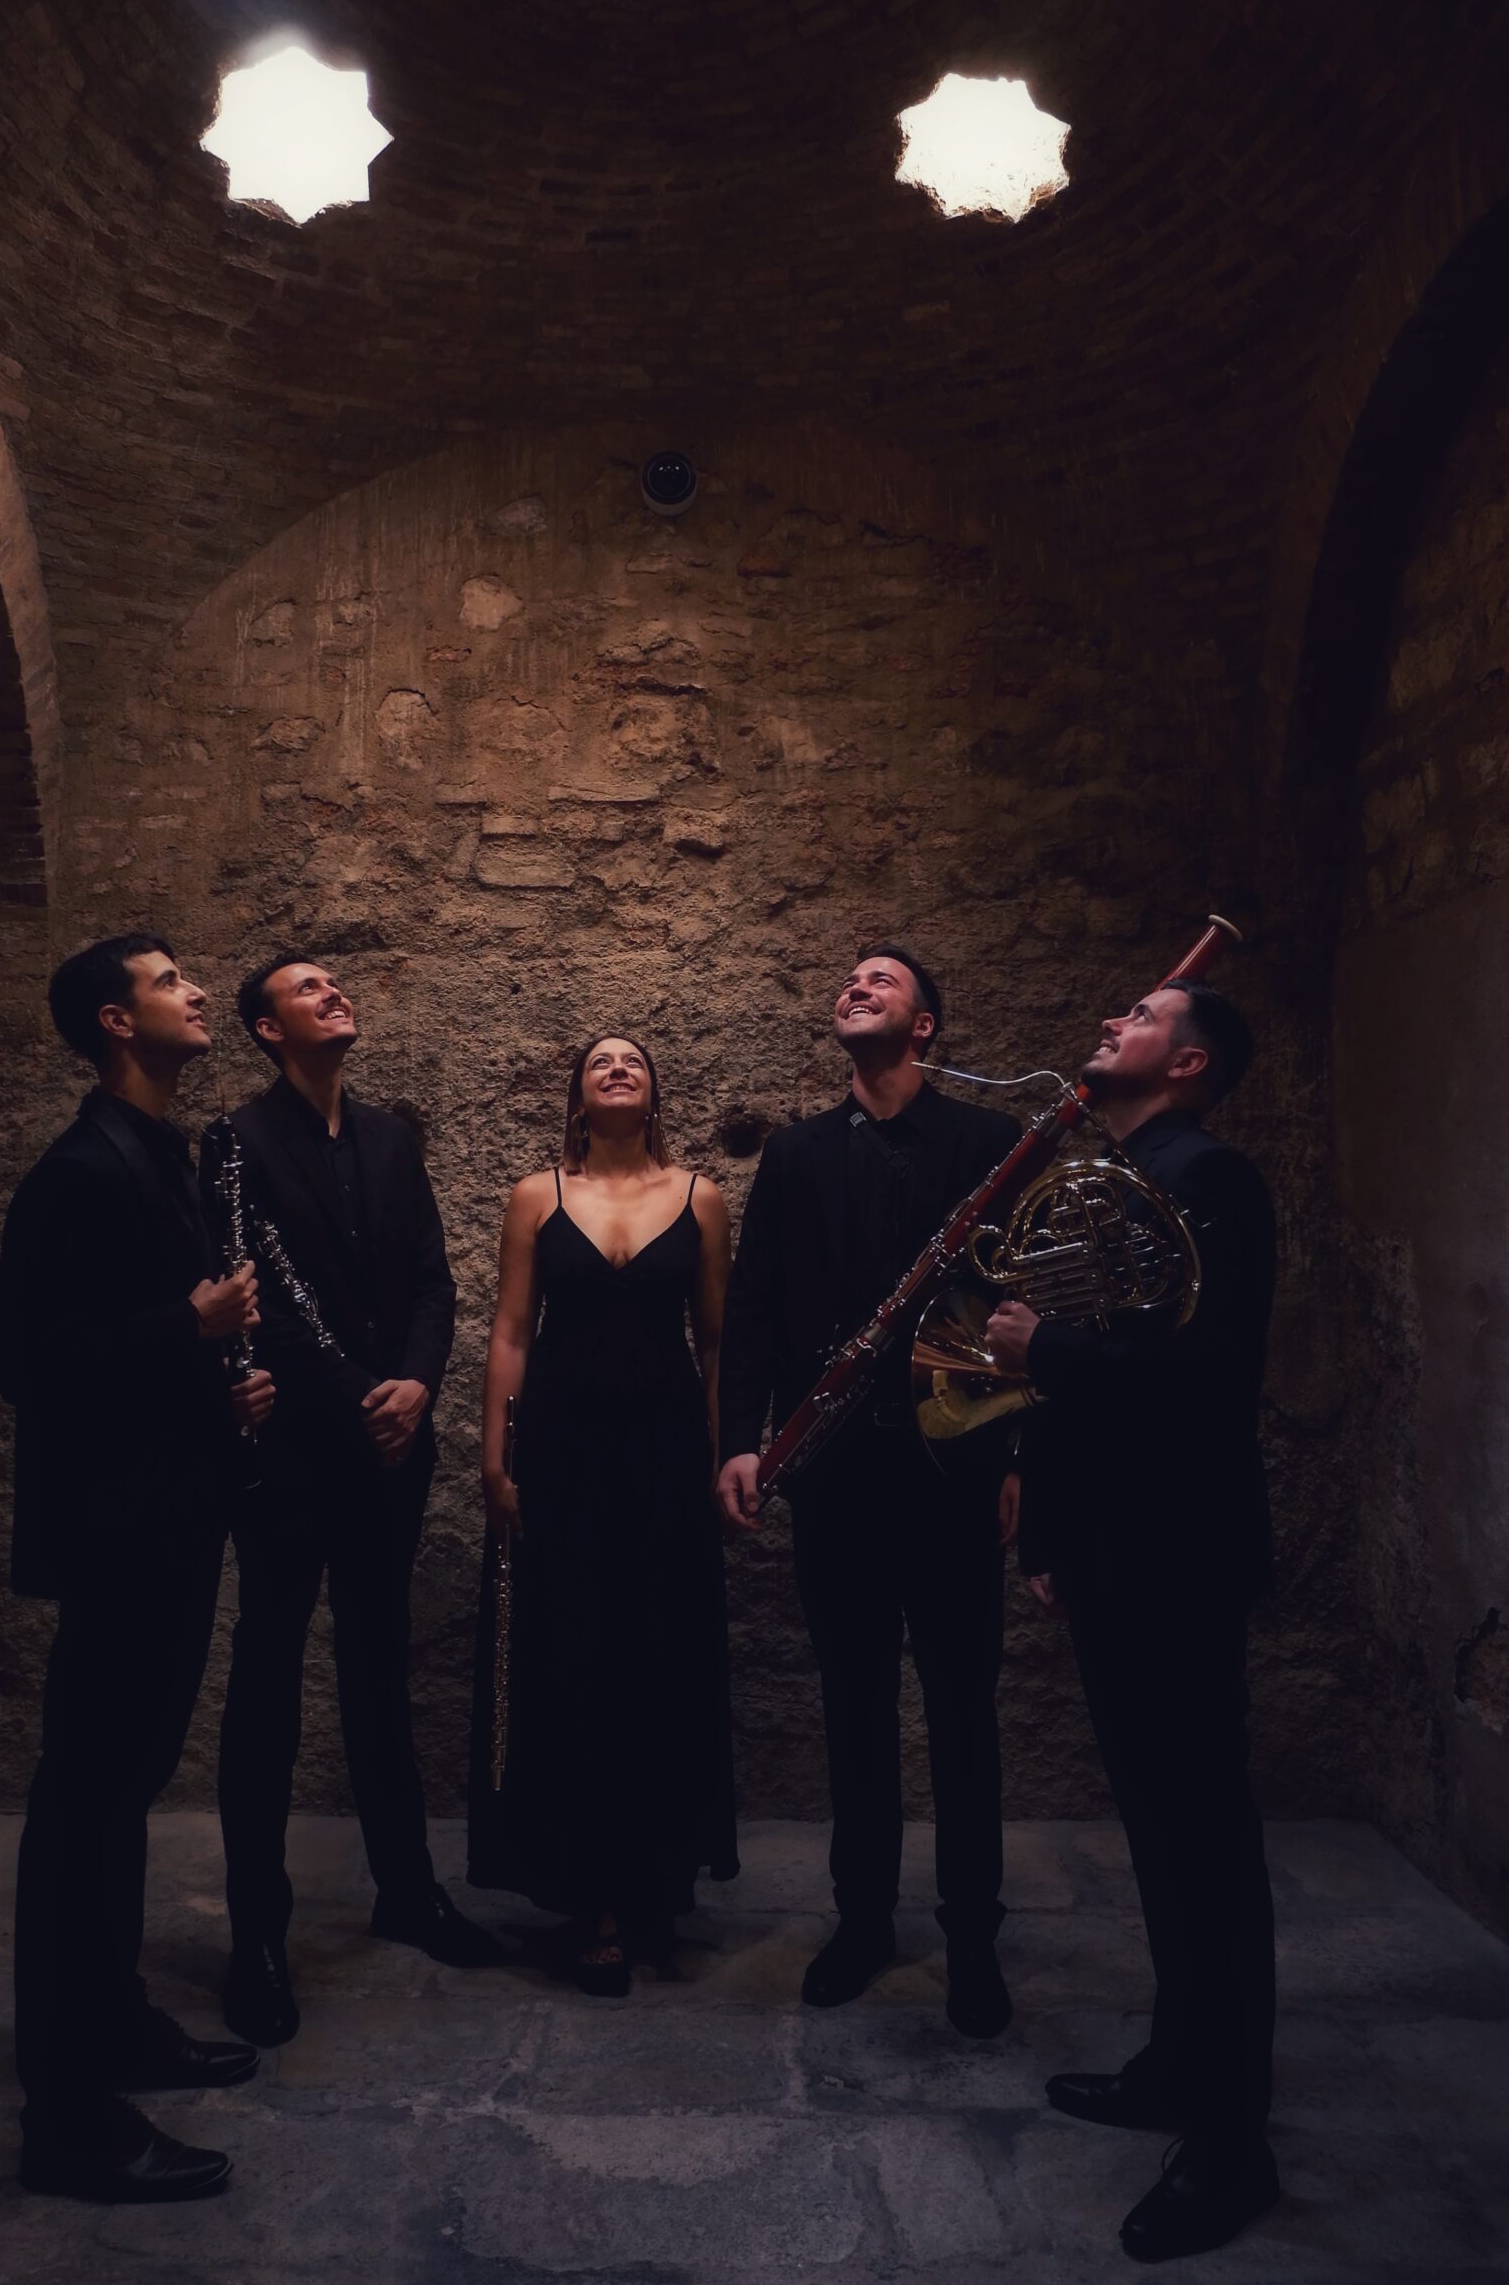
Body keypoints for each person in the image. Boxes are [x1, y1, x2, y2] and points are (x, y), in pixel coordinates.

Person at [987, 978, 1279, 2263]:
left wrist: (1040, 1346)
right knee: (1162, 1838)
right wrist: (1048, 1530)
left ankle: (1233, 2148)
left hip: (1181, 1557)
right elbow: (1085, 1385)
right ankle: (1178, 2065)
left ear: (1191, 1060)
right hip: (1114, 1554)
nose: (1113, 1021)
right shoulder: (1117, 1175)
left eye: (1145, 1016)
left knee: (1207, 1849)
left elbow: (1206, 1377)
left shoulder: (1211, 1179)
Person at [0, 931, 276, 2204]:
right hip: (118, 1538)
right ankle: (67, 2121)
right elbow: (35, 1366)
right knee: (82, 1812)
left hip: (169, 1522)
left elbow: (145, 1357)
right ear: (115, 1022)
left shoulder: (160, 1154)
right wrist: (191, 1324)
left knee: (121, 1797)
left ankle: (110, 2027)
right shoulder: (77, 1170)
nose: (195, 990)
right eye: (168, 981)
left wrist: (224, 1388)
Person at [716, 948, 1022, 2029]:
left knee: (963, 1712)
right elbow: (753, 1305)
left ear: (924, 1025)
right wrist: (740, 1441)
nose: (856, 985)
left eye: (882, 980)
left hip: (953, 1469)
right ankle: (862, 1921)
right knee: (853, 1708)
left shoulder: (991, 1143)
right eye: (848, 979)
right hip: (834, 1476)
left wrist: (1017, 1460)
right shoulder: (796, 1153)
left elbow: (1018, 1310)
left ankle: (973, 1939)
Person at [212, 954, 497, 2050]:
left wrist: (416, 1384)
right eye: (307, 988)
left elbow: (432, 1282)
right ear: (266, 1029)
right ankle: (257, 1938)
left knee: (381, 1671)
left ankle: (407, 1892)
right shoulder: (234, 1141)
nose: (333, 992)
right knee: (268, 1687)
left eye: (335, 983)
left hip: (390, 1448)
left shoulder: (389, 1138)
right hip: (292, 1455)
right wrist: (361, 1397)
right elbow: (258, 1304)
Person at [468, 1034, 737, 1995]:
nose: (617, 1068)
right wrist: (495, 1454)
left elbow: (716, 1341)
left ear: (653, 1092)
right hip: (562, 1452)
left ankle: (652, 1883)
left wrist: (721, 1460)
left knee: (658, 1657)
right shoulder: (535, 1195)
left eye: (633, 1061)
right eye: (599, 1063)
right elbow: (510, 1331)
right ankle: (589, 1896)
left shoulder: (701, 1196)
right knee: (571, 1658)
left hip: (665, 1456)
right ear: (578, 1099)